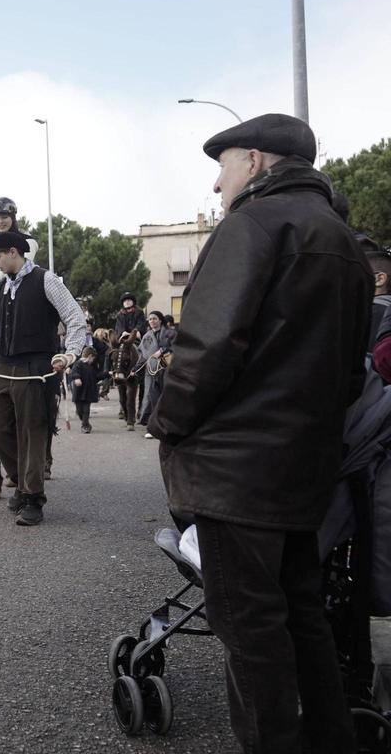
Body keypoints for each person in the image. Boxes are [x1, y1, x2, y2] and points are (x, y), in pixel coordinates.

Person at [149, 113, 370, 753]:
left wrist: (167, 422)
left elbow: (208, 347)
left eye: (223, 166)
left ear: (254, 160)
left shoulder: (251, 226)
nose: (218, 185)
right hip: (304, 469)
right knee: (302, 619)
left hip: (235, 471)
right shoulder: (346, 245)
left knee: (250, 632)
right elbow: (350, 373)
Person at [0, 230, 85, 526]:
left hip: (36, 366)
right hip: (5, 365)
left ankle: (32, 498)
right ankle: (21, 481)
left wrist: (69, 354)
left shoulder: (46, 280)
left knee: (32, 431)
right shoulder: (0, 290)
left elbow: (75, 318)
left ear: (13, 252)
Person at [137, 311, 175, 427]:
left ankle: (168, 422)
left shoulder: (170, 333)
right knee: (150, 396)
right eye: (150, 319)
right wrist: (135, 368)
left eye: (154, 318)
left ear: (160, 320)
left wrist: (163, 350)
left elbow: (176, 345)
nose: (152, 321)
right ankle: (151, 423)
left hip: (167, 369)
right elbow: (143, 355)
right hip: (152, 370)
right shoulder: (146, 336)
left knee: (167, 396)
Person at [109, 331, 141, 431]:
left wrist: (133, 370)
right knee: (122, 398)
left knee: (131, 397)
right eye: (123, 338)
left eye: (127, 338)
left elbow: (138, 327)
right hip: (119, 372)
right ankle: (127, 415)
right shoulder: (115, 349)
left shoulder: (132, 351)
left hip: (132, 373)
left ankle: (131, 420)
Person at [69, 346, 99, 433]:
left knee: (86, 410)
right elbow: (74, 372)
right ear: (89, 356)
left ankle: (85, 425)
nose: (93, 360)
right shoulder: (78, 363)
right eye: (93, 358)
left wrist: (107, 374)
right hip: (79, 392)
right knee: (79, 411)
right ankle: (85, 422)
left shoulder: (91, 366)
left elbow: (96, 376)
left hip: (88, 392)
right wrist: (77, 378)